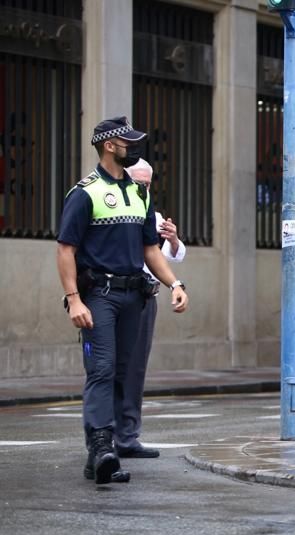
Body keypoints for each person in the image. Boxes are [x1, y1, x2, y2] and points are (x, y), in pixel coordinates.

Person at [56, 117, 189, 485]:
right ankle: (101, 447)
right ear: (110, 145)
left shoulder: (140, 193)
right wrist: (74, 299)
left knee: (123, 372)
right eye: (129, 142)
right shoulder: (85, 193)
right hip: (99, 295)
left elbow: (150, 249)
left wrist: (174, 283)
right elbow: (66, 250)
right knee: (101, 369)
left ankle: (102, 453)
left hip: (135, 296)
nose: (135, 147)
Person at [114, 158, 187, 460]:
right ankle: (102, 437)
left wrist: (171, 239)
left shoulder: (151, 215)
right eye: (138, 182)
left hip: (144, 294)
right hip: (111, 295)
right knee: (107, 367)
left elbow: (172, 256)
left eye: (147, 183)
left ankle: (128, 436)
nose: (143, 187)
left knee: (135, 369)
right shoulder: (111, 205)